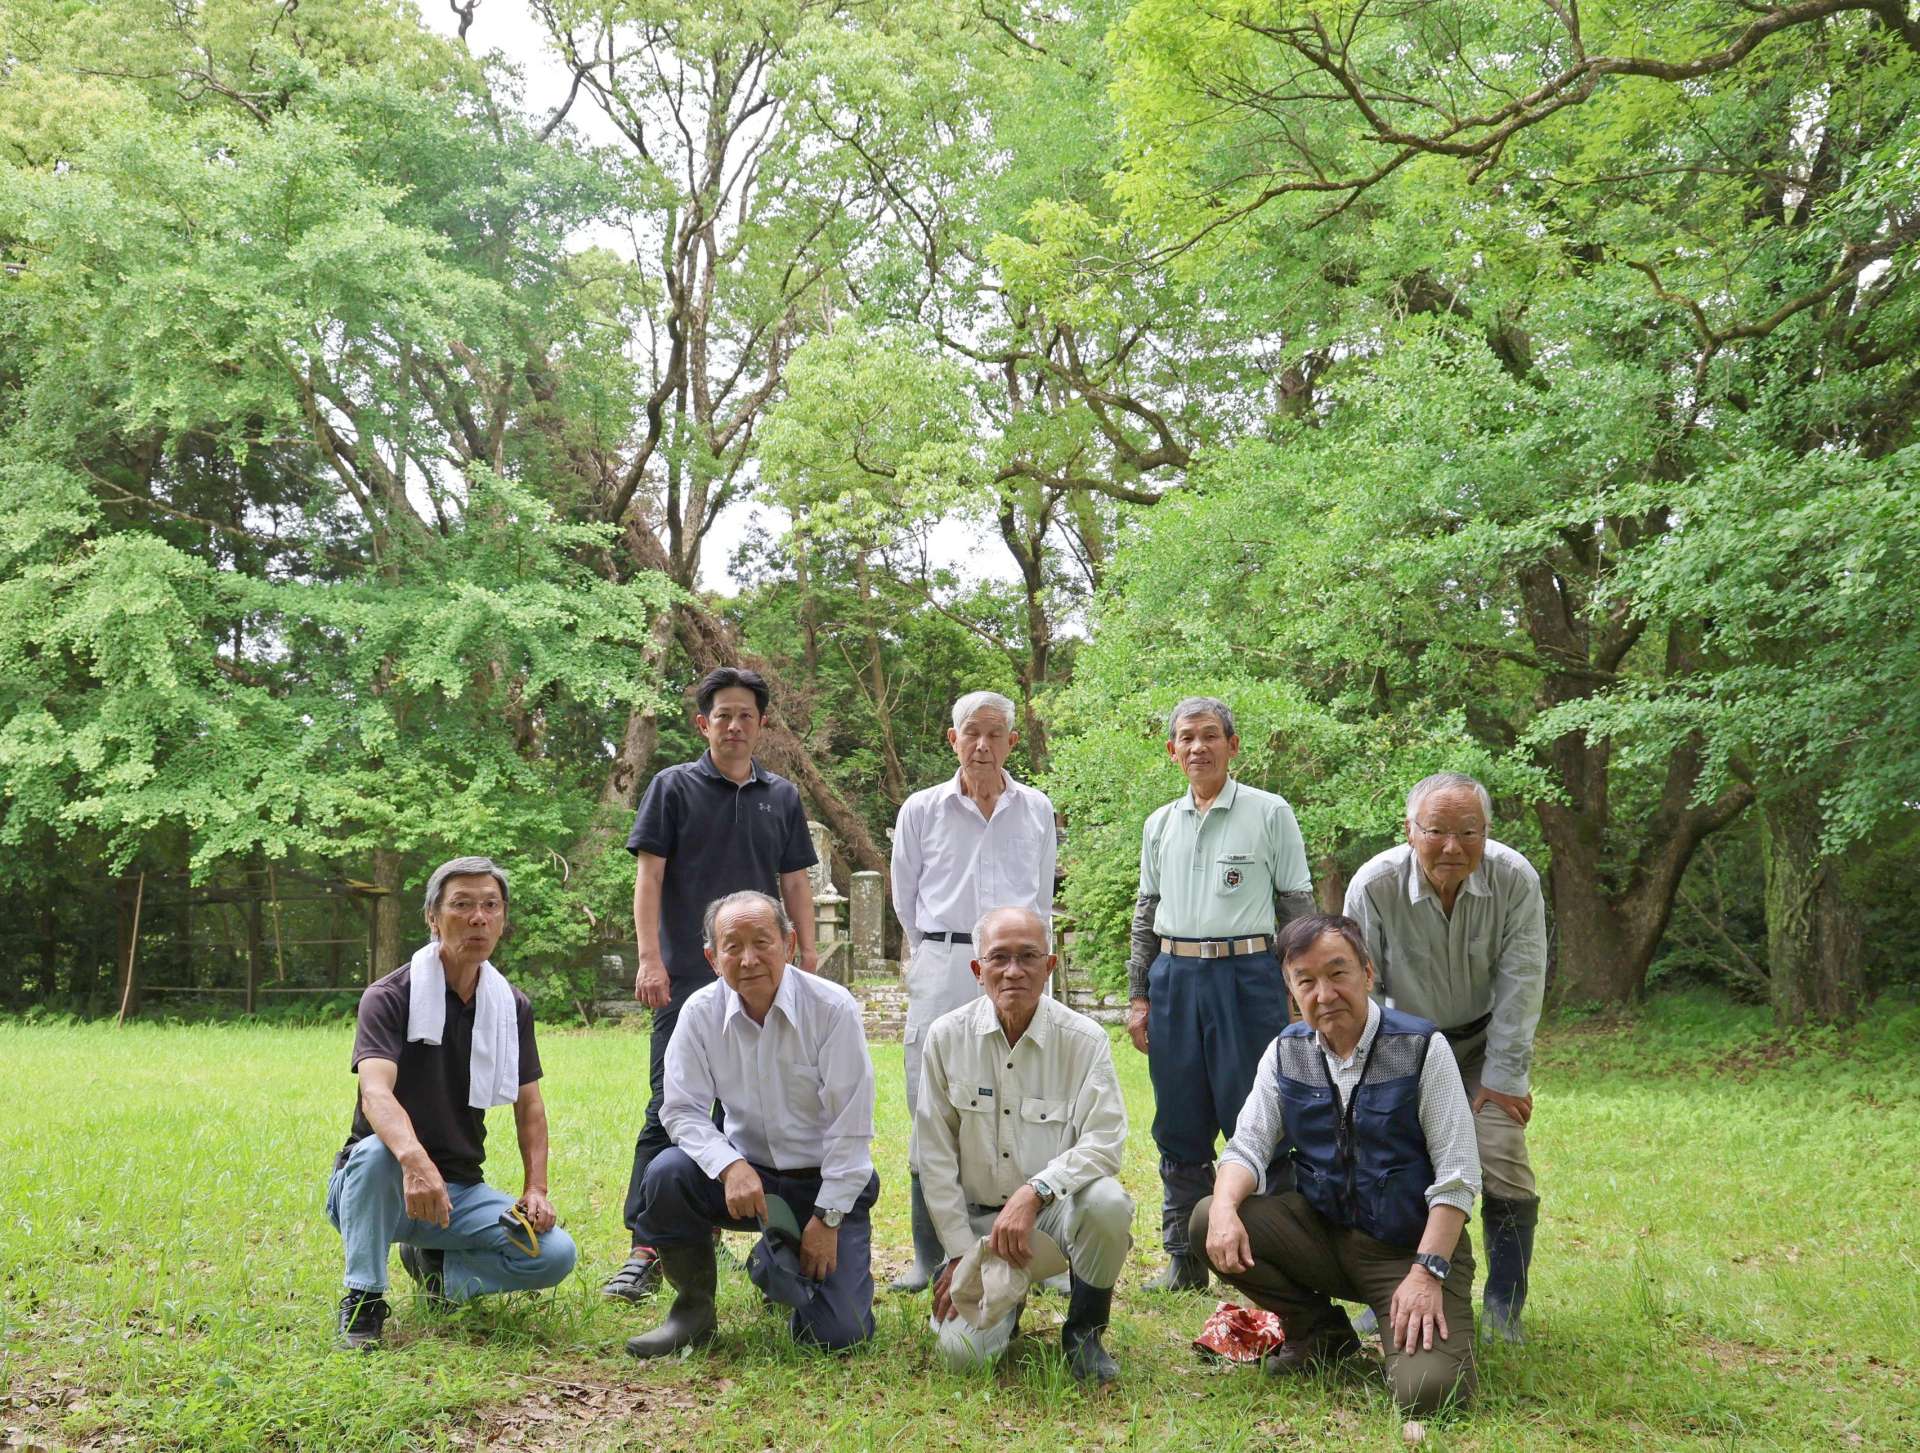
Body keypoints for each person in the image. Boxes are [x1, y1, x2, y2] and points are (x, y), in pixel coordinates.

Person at [1196, 915, 1482, 1413]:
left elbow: (1458, 1177)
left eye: (1337, 973)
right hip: (1325, 1238)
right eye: (1305, 981)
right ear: (1291, 993)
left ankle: (1417, 1326)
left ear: (1368, 973)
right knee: (1207, 1217)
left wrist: (1426, 1272)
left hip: (1409, 1251)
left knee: (1429, 1395)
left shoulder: (1420, 1048)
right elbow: (1247, 1147)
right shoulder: (1286, 1053)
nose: (1324, 994)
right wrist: (1223, 1207)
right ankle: (1321, 1335)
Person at [603, 667, 821, 1303]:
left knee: (761, 1103)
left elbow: (797, 883)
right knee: (669, 1108)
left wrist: (805, 956)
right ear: (704, 724)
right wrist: (650, 960)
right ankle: (648, 1243)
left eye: (745, 716)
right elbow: (648, 878)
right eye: (722, 715)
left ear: (761, 725)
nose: (733, 725)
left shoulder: (780, 797)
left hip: (764, 981)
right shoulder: (672, 787)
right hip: (687, 978)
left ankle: (764, 1229)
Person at [327, 857, 578, 1350]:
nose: (478, 918)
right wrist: (415, 1160)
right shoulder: (389, 996)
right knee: (378, 1152)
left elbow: (530, 1106)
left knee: (554, 1254)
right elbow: (375, 1092)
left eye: (490, 906)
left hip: (458, 1189)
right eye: (461, 905)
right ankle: (363, 1300)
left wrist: (536, 1190)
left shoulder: (510, 1005)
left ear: (503, 918)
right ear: (433, 917)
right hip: (377, 1188)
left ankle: (438, 1268)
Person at [624, 891, 880, 1357]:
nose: (748, 959)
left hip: (821, 1186)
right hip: (747, 1184)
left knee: (838, 1337)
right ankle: (692, 1313)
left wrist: (828, 1217)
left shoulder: (832, 1009)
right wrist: (728, 1165)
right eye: (732, 946)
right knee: (666, 1172)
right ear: (711, 957)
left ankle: (779, 1265)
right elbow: (680, 1110)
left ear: (789, 942)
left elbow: (852, 1128)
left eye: (762, 942)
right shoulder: (699, 1013)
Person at [1343, 771, 1547, 1342]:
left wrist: (1506, 1078)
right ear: (1410, 831)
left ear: (1486, 832)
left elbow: (1522, 980)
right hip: (1403, 1042)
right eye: (1437, 831)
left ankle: (1504, 1306)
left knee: (1502, 1154)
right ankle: (1386, 1291)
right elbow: (1363, 990)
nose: (1453, 847)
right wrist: (1381, 1076)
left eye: (1469, 832)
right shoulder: (1373, 884)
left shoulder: (1514, 879)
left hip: (1483, 1043)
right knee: (1391, 1157)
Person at [1125, 697, 1315, 1290]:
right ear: (1172, 750)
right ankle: (1183, 1257)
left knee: (1256, 1112)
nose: (1198, 747)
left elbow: (1297, 909)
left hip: (1249, 976)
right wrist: (1138, 996)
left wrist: (1300, 990)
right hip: (1175, 978)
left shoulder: (1269, 812)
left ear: (1234, 745)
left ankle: (1270, 1246)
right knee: (1178, 1115)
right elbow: (1145, 913)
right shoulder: (1160, 823)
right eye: (1186, 738)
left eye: (1210, 736)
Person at [915, 907, 1132, 1383]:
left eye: (1028, 957)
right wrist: (957, 1255)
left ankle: (1085, 1334)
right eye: (999, 958)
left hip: (1049, 1220)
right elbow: (933, 1157)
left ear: (1049, 966)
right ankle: (1001, 1307)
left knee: (1108, 1203)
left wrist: (1034, 1193)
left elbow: (1105, 1141)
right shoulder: (946, 1038)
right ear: (977, 970)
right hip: (977, 1228)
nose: (1014, 971)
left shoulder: (1084, 1040)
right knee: (962, 1358)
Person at [889, 690, 1058, 1292]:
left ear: (1013, 742)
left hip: (1016, 965)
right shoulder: (921, 809)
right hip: (944, 958)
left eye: (994, 734)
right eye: (971, 733)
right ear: (952, 740)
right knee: (930, 1098)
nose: (982, 745)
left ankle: (1038, 1244)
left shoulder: (1036, 809)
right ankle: (927, 1253)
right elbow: (904, 899)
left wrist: (1030, 966)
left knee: (1026, 1091)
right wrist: (939, 952)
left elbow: (1040, 900)